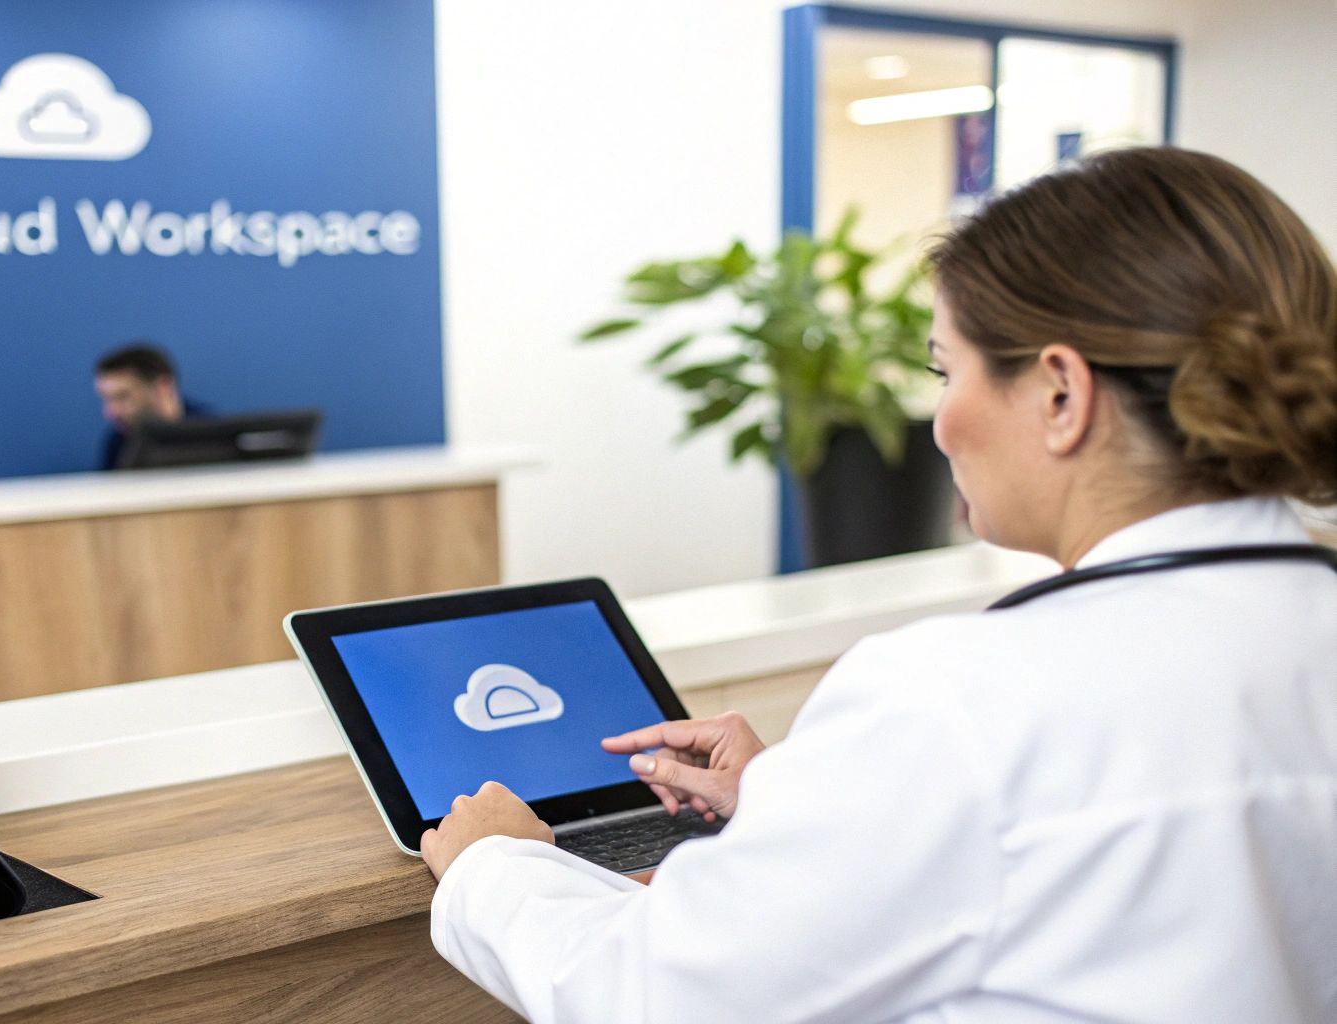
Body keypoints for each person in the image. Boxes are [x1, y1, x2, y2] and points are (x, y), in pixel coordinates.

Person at [423, 147, 1337, 1022]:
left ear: (1061, 394)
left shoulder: (959, 701)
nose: (940, 425)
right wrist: (809, 800)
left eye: (947, 371)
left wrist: (492, 868)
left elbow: (649, 997)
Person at [93, 342, 211, 470]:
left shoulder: (211, 434)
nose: (110, 412)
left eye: (123, 396)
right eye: (107, 399)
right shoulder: (118, 443)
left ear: (163, 387)